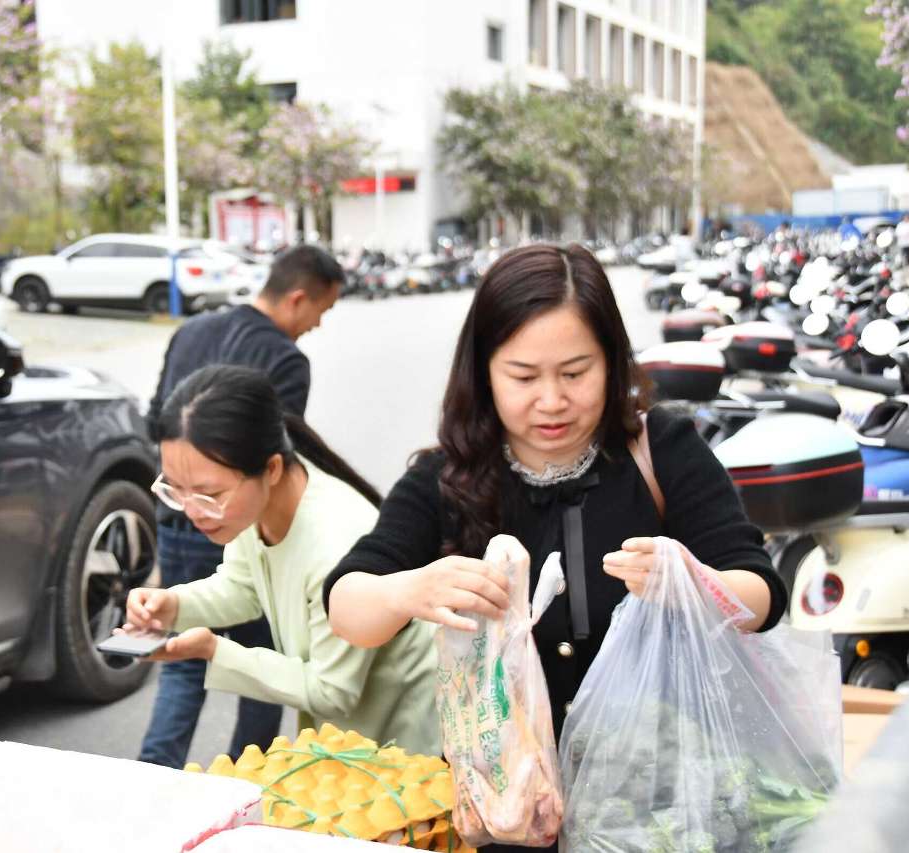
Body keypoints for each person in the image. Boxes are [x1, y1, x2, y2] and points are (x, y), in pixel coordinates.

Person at [322, 244, 788, 851]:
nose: (551, 401)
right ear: (483, 371)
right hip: (506, 819)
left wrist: (691, 581)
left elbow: (762, 597)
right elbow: (347, 606)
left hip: (660, 812)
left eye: (575, 373)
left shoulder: (664, 452)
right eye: (522, 376)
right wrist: (408, 588)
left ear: (612, 363)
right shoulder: (446, 479)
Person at [121, 366, 440, 755]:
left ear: (271, 468)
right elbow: (242, 587)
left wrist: (214, 651)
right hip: (350, 744)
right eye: (175, 489)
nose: (191, 510)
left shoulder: (334, 542)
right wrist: (173, 605)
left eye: (207, 494)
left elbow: (332, 691)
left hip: (406, 746)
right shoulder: (256, 506)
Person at [138, 245, 344, 769]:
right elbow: (278, 454)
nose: (316, 326)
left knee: (182, 665)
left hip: (177, 522)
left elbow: (155, 421)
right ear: (298, 298)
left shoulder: (192, 331)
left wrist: (186, 496)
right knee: (265, 662)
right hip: (245, 521)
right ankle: (248, 782)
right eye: (320, 313)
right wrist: (217, 496)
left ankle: (155, 779)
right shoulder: (286, 358)